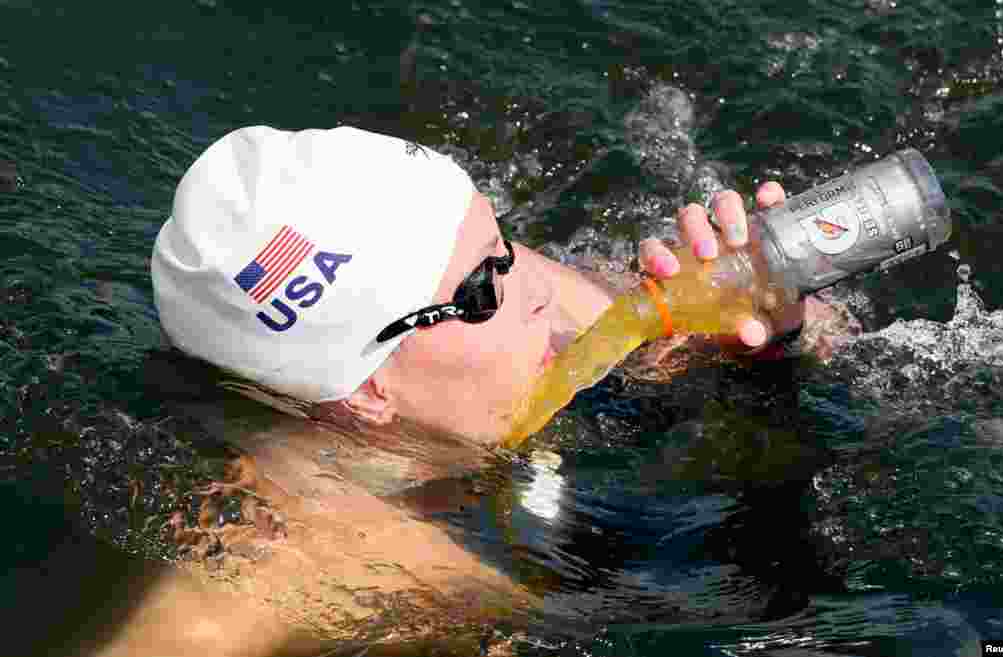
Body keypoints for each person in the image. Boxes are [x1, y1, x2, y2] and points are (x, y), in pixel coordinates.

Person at [101, 125, 840, 656]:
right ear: (367, 391)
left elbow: (813, 345)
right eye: (485, 285)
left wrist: (772, 320)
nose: (537, 289)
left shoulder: (522, 295)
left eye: (503, 242)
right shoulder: (283, 562)